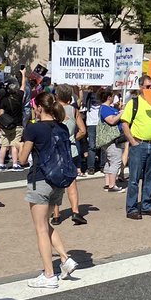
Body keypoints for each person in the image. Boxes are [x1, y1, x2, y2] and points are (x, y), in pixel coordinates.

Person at [17, 91, 78, 289]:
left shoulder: (33, 128)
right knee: (45, 223)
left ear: (39, 108)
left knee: (40, 228)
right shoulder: (61, 127)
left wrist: (20, 147)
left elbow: (22, 159)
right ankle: (64, 258)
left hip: (40, 179)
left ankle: (49, 274)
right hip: (58, 181)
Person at [120, 74, 151, 219]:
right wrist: (133, 141)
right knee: (134, 178)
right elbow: (125, 124)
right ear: (141, 88)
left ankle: (146, 205)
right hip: (139, 144)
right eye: (148, 87)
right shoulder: (134, 103)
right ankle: (132, 208)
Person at [50, 85, 87, 225]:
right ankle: (75, 212)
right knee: (72, 182)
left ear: (57, 96)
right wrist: (72, 138)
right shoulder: (73, 110)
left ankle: (56, 214)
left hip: (55, 149)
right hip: (71, 149)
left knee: (55, 183)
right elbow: (83, 131)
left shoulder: (53, 109)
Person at [0, 74, 26, 170]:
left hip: (5, 125)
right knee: (14, 145)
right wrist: (23, 74)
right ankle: (14, 164)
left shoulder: (4, 100)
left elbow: (1, 113)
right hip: (17, 124)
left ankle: (1, 164)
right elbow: (23, 86)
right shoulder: (19, 97)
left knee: (4, 145)